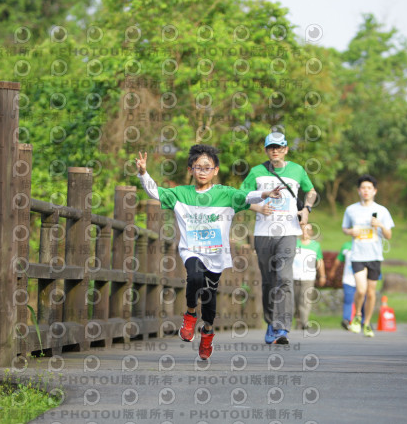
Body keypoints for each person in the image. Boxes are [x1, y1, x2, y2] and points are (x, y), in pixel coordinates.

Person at [135, 146, 282, 360]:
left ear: (215, 170)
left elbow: (247, 196)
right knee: (194, 276)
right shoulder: (180, 194)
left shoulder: (226, 194)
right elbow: (155, 192)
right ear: (191, 170)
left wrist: (266, 194)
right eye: (198, 167)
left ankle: (207, 332)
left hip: (216, 255)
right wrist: (143, 173)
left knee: (209, 296)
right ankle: (190, 314)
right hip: (191, 250)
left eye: (207, 167)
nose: (202, 171)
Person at [240, 132, 317, 344]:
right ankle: (270, 321)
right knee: (268, 281)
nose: (275, 150)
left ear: (285, 149)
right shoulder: (256, 172)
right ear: (266, 150)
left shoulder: (297, 170)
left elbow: (311, 192)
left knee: (284, 278)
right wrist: (258, 206)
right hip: (263, 233)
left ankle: (282, 328)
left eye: (279, 147)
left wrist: (307, 210)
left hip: (288, 232)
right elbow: (241, 196)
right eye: (271, 147)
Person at [341, 174, 394, 338]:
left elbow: (389, 235)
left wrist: (381, 225)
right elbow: (345, 228)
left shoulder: (382, 210)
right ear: (358, 190)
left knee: (371, 293)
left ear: (375, 191)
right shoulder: (351, 209)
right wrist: (351, 231)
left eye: (369, 188)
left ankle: (367, 322)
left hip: (375, 256)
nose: (366, 191)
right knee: (361, 290)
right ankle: (357, 317)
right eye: (363, 188)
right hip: (357, 255)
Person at [292, 224, 326, 329]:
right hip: (294, 276)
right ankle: (298, 320)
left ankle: (304, 322)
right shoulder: (294, 243)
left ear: (311, 232)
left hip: (308, 276)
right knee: (295, 300)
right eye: (303, 230)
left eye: (308, 230)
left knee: (305, 300)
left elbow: (319, 261)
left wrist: (322, 276)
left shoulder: (315, 245)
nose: (305, 232)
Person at [329, 239, 362, 330]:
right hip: (348, 278)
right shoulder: (346, 246)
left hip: (361, 278)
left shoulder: (365, 245)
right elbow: (339, 260)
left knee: (363, 299)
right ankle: (346, 320)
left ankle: (363, 320)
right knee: (348, 299)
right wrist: (333, 271)